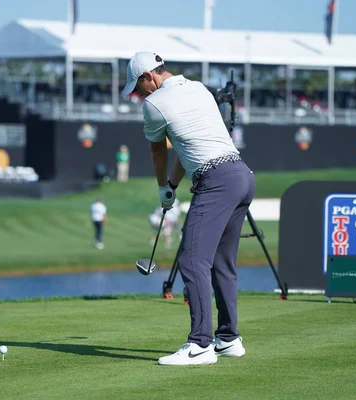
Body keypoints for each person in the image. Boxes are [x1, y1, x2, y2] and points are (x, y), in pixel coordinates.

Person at [122, 52, 255, 365]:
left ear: (148, 77)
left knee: (192, 259)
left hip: (217, 181)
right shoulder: (198, 88)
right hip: (242, 176)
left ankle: (200, 344)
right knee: (221, 262)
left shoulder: (154, 105)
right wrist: (173, 185)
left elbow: (158, 151)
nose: (139, 95)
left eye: (138, 88)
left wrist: (161, 187)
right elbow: (186, 147)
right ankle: (228, 338)